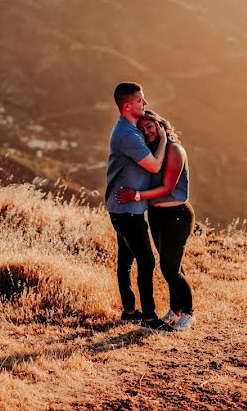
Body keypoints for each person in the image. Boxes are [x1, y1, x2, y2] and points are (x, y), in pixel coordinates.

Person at [116, 110, 195, 331]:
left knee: (170, 268)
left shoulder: (174, 150)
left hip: (176, 215)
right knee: (171, 264)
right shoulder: (152, 154)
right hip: (157, 215)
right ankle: (175, 310)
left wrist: (137, 196)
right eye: (141, 129)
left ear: (160, 125)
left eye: (149, 126)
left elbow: (168, 188)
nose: (146, 131)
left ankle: (189, 313)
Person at [105, 82, 174, 332]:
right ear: (127, 106)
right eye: (140, 101)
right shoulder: (127, 135)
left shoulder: (129, 129)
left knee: (126, 261)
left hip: (122, 208)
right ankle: (149, 318)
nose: (145, 104)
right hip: (127, 212)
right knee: (147, 262)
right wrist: (165, 138)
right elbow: (155, 166)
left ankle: (129, 311)